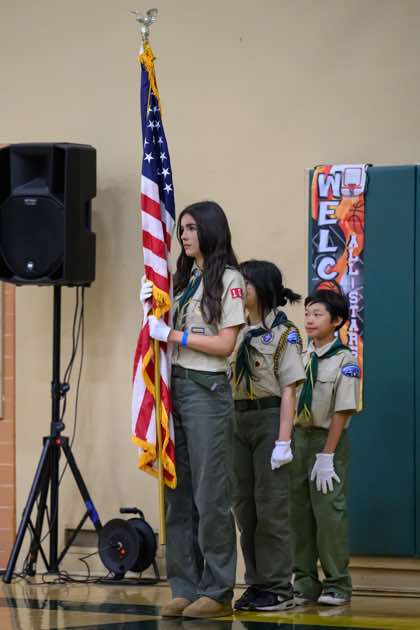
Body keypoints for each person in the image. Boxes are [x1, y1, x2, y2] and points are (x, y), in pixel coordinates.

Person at [141, 201, 246, 619]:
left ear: (210, 230)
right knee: (177, 492)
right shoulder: (185, 281)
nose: (183, 236)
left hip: (206, 390)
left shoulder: (229, 279)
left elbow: (225, 344)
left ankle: (217, 590)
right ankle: (184, 586)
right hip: (177, 386)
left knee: (210, 493)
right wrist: (151, 305)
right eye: (181, 229)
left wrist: (175, 335)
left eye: (190, 228)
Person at [230, 260, 306, 612]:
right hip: (237, 419)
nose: (238, 290)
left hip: (269, 418)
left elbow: (289, 389)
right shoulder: (234, 330)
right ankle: (257, 583)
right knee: (244, 508)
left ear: (262, 288)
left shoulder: (285, 333)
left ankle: (278, 587)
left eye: (244, 284)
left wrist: (283, 441)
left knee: (271, 506)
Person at [290, 289, 361, 606]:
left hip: (325, 440)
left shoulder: (346, 361)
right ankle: (304, 581)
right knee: (298, 513)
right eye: (307, 313)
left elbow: (342, 411)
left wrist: (327, 455)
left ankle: (337, 583)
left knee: (329, 514)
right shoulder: (301, 357)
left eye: (317, 314)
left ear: (337, 320)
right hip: (298, 439)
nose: (309, 319)